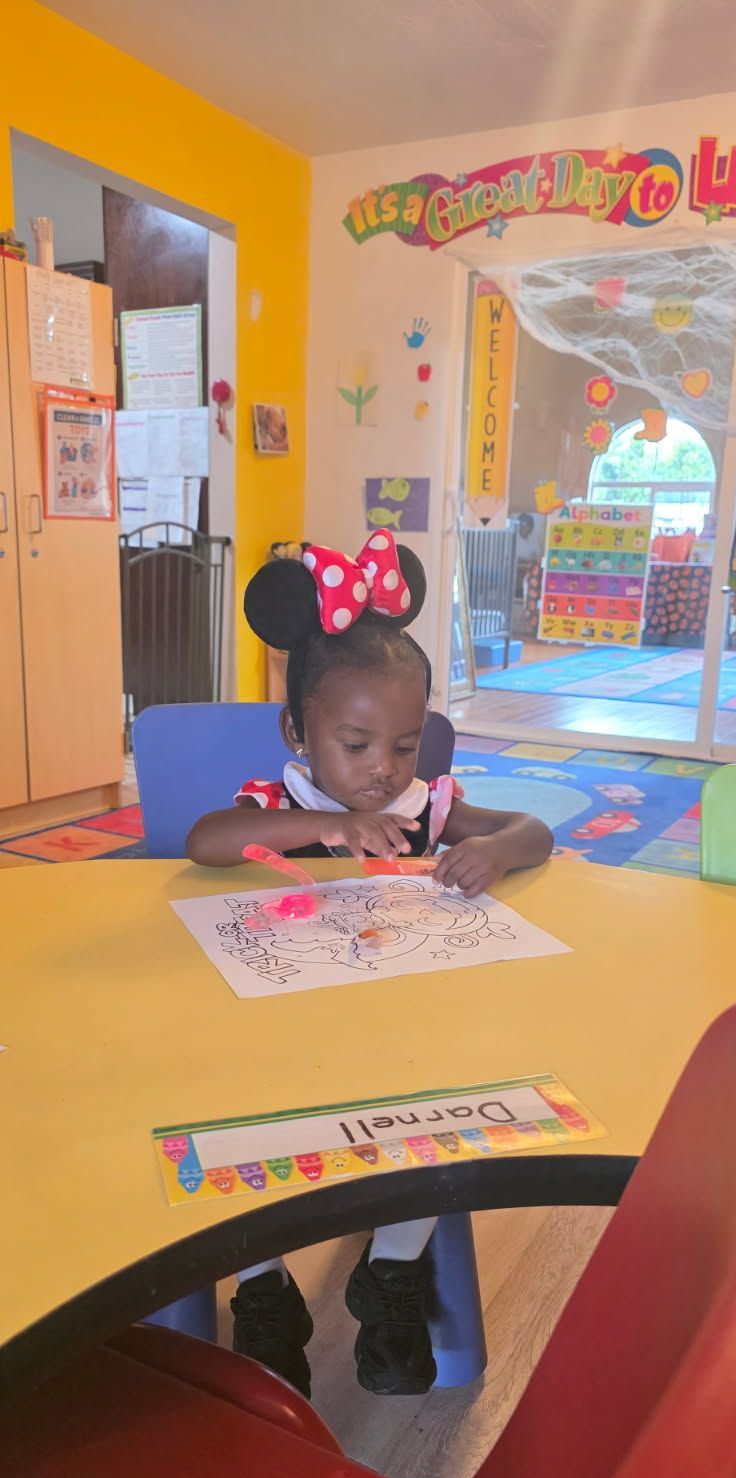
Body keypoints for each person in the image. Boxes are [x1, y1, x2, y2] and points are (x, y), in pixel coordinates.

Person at [187, 531, 553, 1399]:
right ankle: (263, 1286)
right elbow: (208, 842)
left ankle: (389, 1272)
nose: (382, 773)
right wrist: (327, 829)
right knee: (229, 1120)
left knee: (438, 1119)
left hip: (395, 1041)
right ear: (296, 729)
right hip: (274, 1037)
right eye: (355, 745)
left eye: (402, 745)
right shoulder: (281, 802)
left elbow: (534, 831)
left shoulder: (428, 805)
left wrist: (495, 851)